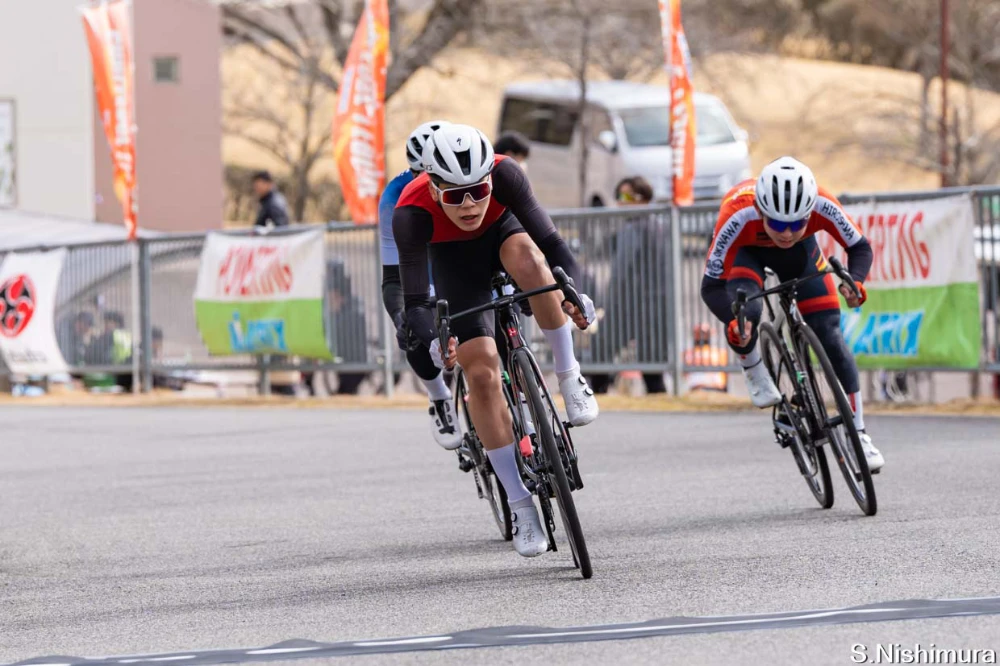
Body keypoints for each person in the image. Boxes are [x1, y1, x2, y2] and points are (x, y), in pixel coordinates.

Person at [393, 123, 599, 558]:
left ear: (490, 178)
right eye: (455, 195)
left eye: (478, 190)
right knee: (483, 374)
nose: (469, 204)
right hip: (455, 264)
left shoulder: (506, 174)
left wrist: (576, 294)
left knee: (533, 263)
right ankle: (520, 504)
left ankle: (569, 375)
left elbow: (553, 245)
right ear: (432, 188)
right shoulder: (411, 212)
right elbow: (415, 302)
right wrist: (435, 341)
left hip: (505, 236)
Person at [700, 156, 884, 472]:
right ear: (761, 211)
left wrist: (855, 282)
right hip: (747, 253)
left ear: (809, 212)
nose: (786, 233)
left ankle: (859, 435)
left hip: (801, 255)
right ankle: (753, 366)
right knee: (747, 311)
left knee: (830, 333)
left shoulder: (822, 203)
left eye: (797, 224)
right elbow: (711, 287)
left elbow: (860, 247)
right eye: (778, 224)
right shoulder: (737, 213)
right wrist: (733, 323)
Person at [380, 120, 463, 449]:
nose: (425, 184)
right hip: (421, 266)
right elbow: (392, 278)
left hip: (461, 255)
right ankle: (439, 396)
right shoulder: (394, 197)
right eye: (419, 175)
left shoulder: (468, 180)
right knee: (413, 326)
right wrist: (400, 315)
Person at [588, 176, 667, 395]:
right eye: (618, 196)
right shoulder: (660, 226)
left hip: (628, 305)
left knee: (600, 355)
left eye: (626, 196)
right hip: (654, 306)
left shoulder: (633, 228)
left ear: (643, 198)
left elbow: (621, 271)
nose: (620, 202)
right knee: (653, 369)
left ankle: (597, 398)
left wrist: (608, 303)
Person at [684, 323, 729, 392]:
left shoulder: (720, 352)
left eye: (704, 333)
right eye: (699, 332)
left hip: (717, 387)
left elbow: (725, 374)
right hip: (697, 388)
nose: (702, 336)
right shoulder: (688, 353)